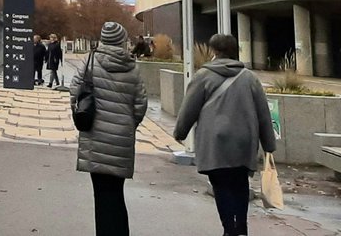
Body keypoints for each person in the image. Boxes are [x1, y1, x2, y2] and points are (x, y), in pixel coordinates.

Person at [173, 33, 277, 236]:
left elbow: (189, 109)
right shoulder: (250, 78)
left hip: (215, 142)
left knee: (220, 185)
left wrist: (180, 132)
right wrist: (269, 145)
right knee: (240, 184)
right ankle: (242, 228)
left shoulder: (203, 76)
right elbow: (263, 114)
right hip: (244, 142)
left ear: (214, 51)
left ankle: (229, 228)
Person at [70, 21, 148, 236]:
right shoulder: (132, 67)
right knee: (116, 193)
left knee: (101, 195)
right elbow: (141, 105)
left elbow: (75, 93)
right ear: (122, 40)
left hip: (95, 137)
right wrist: (127, 125)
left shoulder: (90, 62)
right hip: (121, 140)